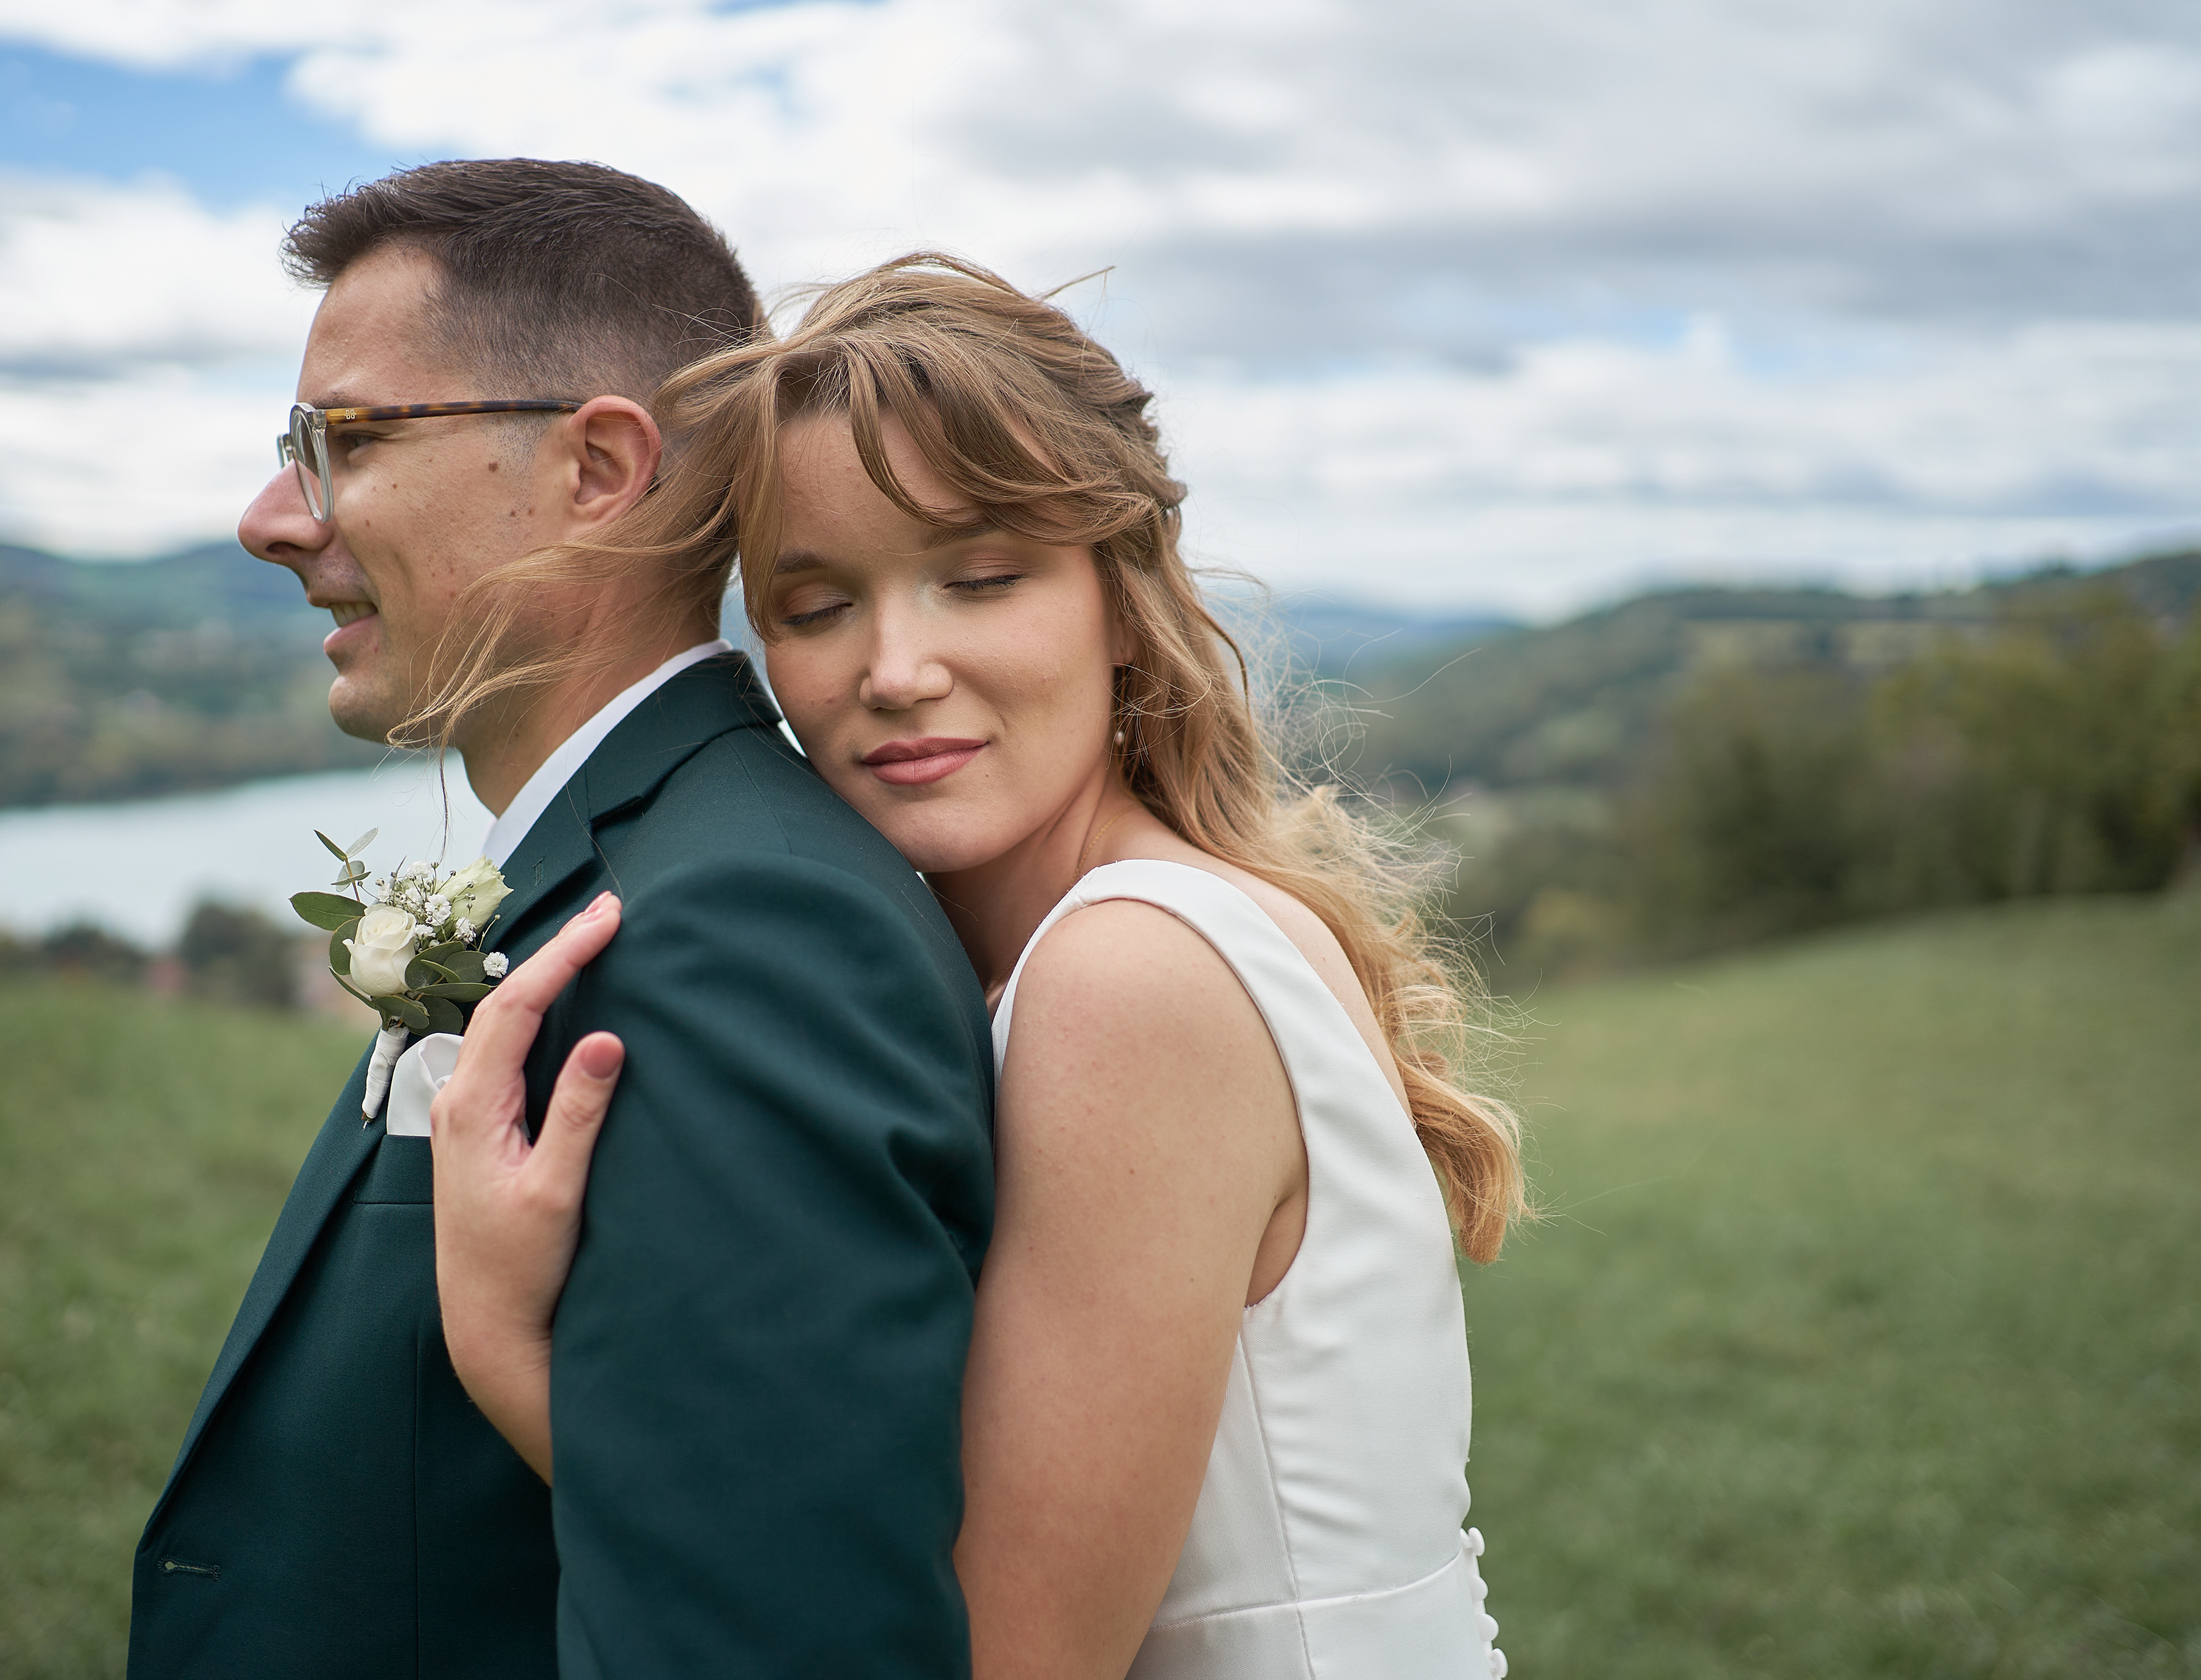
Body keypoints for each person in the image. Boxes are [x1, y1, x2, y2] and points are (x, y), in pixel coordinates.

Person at [431, 255, 1526, 1679]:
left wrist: (509, 1347)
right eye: (814, 607)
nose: (895, 669)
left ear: (1121, 597)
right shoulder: (1060, 951)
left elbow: (997, 1660)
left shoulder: (1134, 975)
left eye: (983, 579)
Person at [126, 166, 998, 1679]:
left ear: (598, 466)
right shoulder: (623, 877)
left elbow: (773, 1639)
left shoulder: (747, 931)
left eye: (346, 441)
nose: (273, 520)